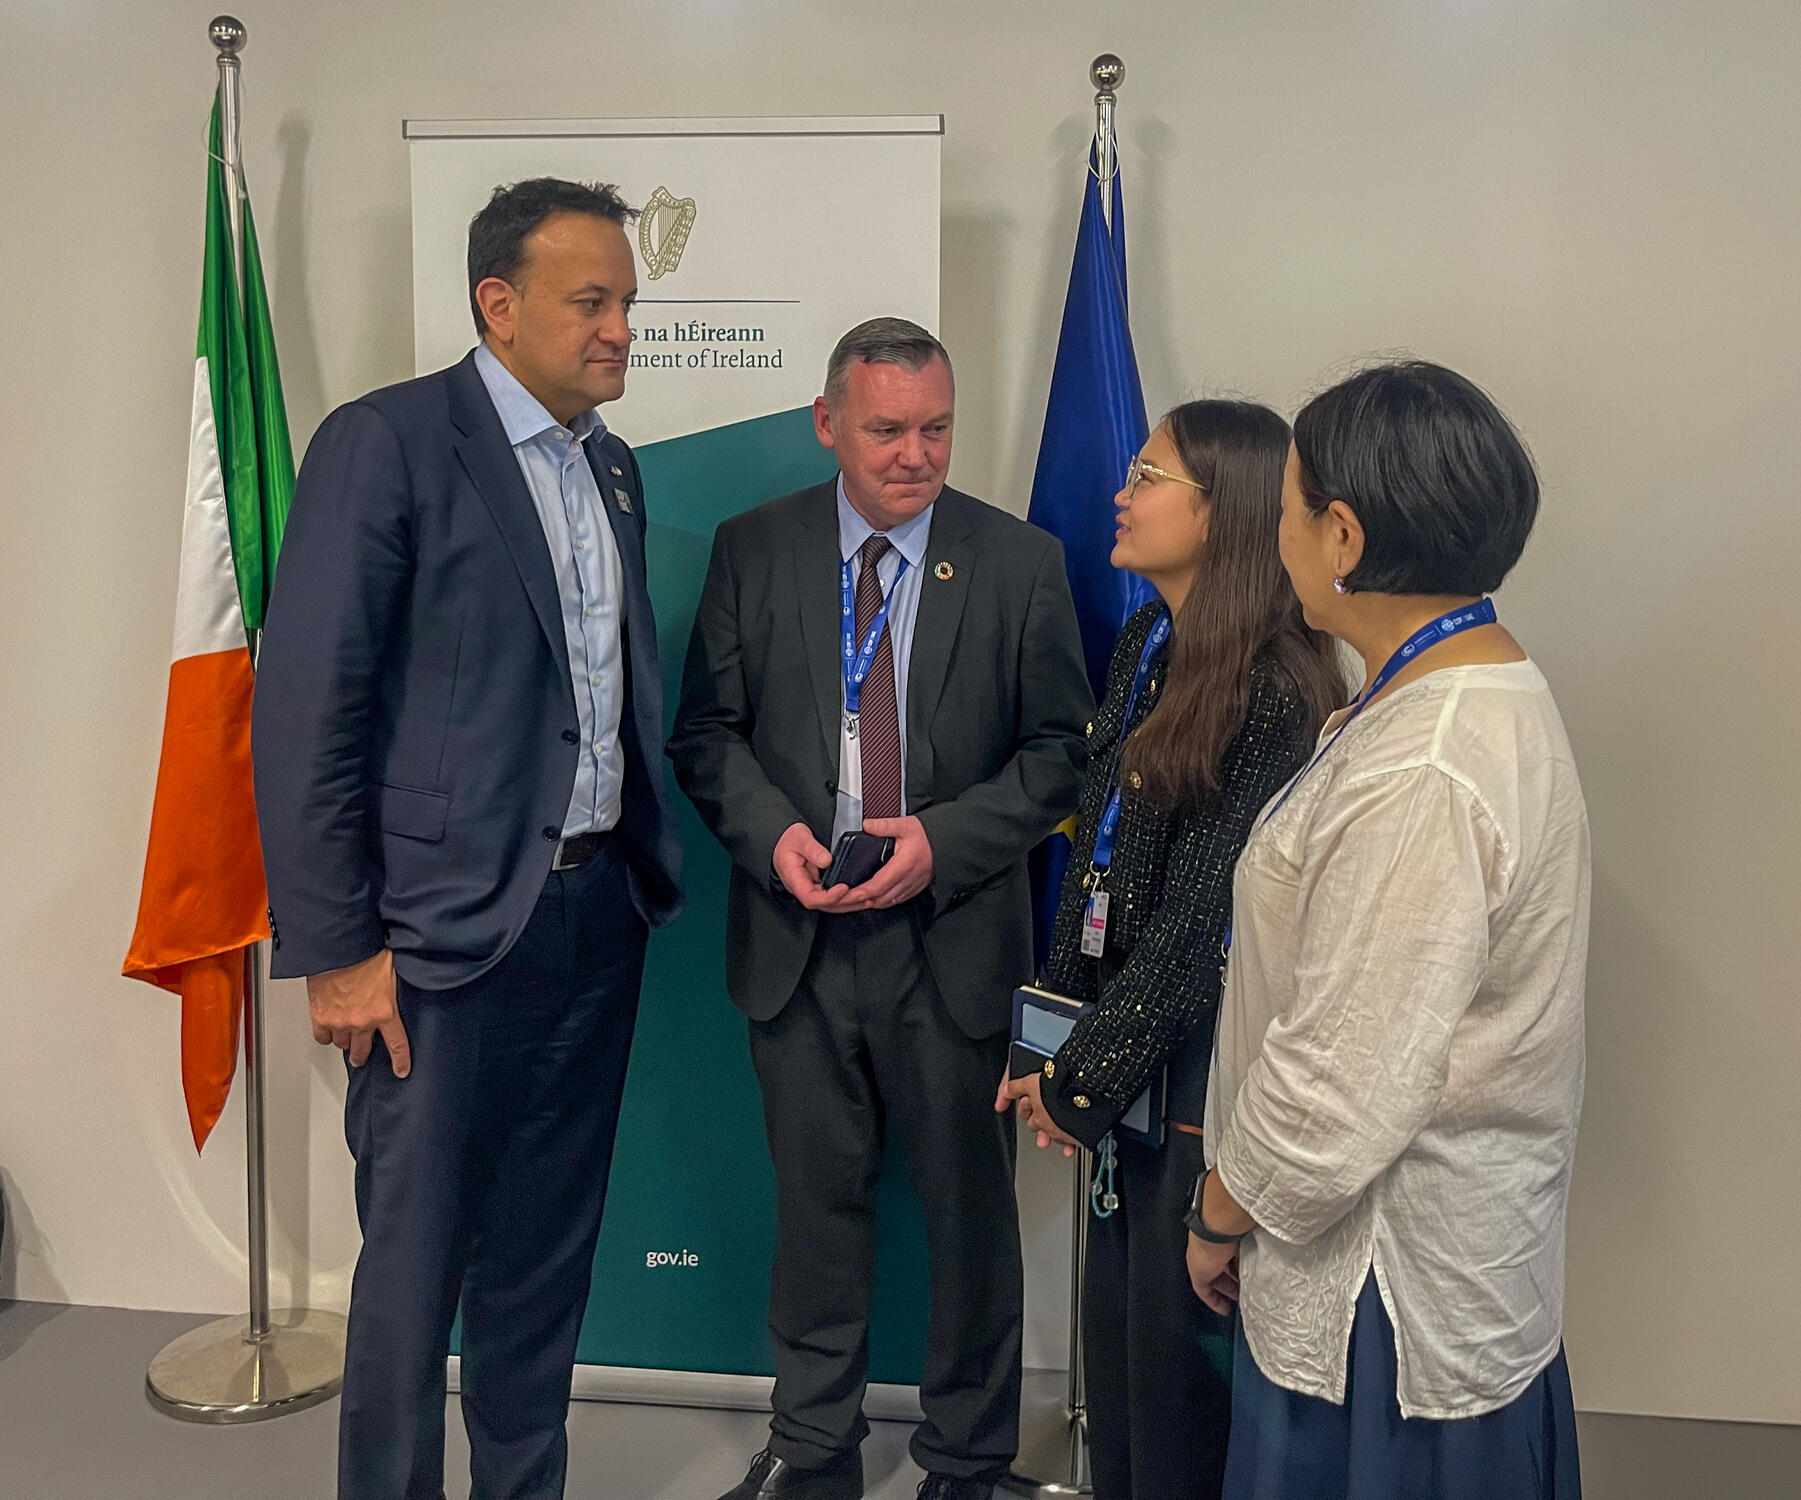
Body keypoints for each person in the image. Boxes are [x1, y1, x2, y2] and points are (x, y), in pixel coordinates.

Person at [252, 178, 684, 1500]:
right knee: (413, 1274)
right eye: (591, 301)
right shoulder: (384, 443)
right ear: (498, 306)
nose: (621, 329)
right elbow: (306, 711)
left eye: (627, 301)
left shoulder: (610, 464)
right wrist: (338, 950)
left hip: (591, 923)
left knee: (544, 1264)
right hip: (433, 947)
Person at [670, 318, 1093, 1500]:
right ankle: (812, 1449)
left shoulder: (1018, 563)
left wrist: (942, 843)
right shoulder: (755, 549)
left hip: (951, 943)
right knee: (813, 1214)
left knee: (969, 1226)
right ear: (828, 425)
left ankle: (965, 1460)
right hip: (797, 937)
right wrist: (774, 840)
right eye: (887, 430)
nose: (914, 455)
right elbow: (705, 734)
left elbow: (1063, 753)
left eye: (936, 429)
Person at [1187, 360, 1588, 1499]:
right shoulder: (1445, 694)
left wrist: (1219, 1209)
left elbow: (1340, 1082)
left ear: (1344, 537)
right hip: (1422, 1260)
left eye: (1285, 513)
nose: (1277, 539)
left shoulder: (1425, 765)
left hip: (1383, 1298)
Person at [997, 400, 1342, 1500]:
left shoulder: (1276, 689)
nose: (1121, 492)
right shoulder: (1152, 640)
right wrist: (1050, 1034)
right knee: (1121, 1365)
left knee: (1176, 1387)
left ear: (1221, 512)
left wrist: (1084, 1072)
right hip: (1117, 1064)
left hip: (1193, 1081)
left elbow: (1204, 927)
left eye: (1149, 477)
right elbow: (1098, 853)